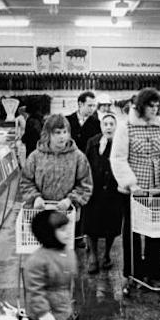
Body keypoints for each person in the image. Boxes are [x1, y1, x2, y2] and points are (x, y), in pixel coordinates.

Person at [110, 87, 160, 288]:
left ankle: (153, 272)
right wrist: (131, 184)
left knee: (155, 232)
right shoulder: (126, 127)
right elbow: (118, 158)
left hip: (156, 187)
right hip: (133, 191)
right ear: (141, 107)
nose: (155, 110)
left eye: (158, 107)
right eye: (151, 106)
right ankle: (133, 273)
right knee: (132, 232)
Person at [20, 114, 92, 212]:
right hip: (39, 212)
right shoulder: (35, 156)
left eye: (65, 132)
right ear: (48, 134)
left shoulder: (78, 157)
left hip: (67, 213)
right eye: (57, 133)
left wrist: (70, 200)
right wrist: (35, 198)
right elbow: (25, 182)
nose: (62, 137)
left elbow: (85, 185)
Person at [82, 112, 123, 274]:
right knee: (91, 223)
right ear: (101, 126)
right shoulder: (92, 142)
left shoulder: (120, 143)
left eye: (111, 124)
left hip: (114, 191)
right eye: (105, 124)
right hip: (94, 190)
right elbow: (85, 164)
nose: (108, 127)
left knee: (111, 225)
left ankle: (106, 254)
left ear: (115, 126)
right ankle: (93, 256)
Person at [65, 91, 100, 247]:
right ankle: (67, 234)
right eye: (89, 105)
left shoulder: (96, 123)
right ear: (80, 104)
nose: (92, 108)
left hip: (88, 168)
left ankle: (80, 236)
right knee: (68, 201)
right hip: (69, 167)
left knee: (83, 201)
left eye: (94, 105)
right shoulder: (67, 121)